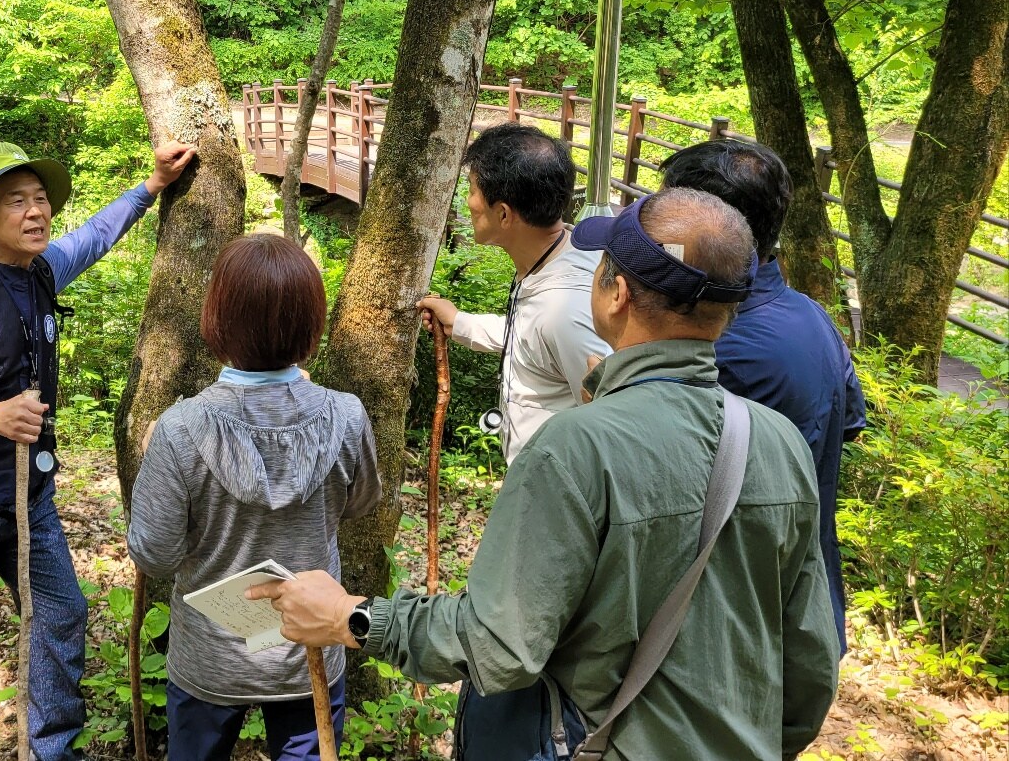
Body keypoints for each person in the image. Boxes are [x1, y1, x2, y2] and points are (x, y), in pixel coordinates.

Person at [252, 189, 841, 760]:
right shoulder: (775, 439)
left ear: (617, 293)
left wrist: (352, 617)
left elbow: (498, 646)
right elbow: (809, 668)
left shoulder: (575, 446)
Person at [0, 140, 194, 760]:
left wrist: (151, 185)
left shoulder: (43, 272)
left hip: (30, 498)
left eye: (41, 200)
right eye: (17, 202)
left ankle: (51, 749)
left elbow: (95, 236)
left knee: (61, 611)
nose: (36, 212)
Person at [127, 233, 381, 761]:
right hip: (308, 642)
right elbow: (359, 504)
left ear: (217, 318)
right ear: (310, 325)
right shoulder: (345, 415)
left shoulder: (179, 429)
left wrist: (159, 460)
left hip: (210, 656)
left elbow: (155, 555)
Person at [660, 140, 866, 651]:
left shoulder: (714, 348)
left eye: (667, 213)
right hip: (805, 606)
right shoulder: (811, 317)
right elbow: (849, 425)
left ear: (709, 229)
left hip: (731, 627)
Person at [415, 123, 609, 464]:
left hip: (554, 482)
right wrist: (460, 323)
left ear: (504, 214)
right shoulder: (561, 254)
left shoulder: (566, 310)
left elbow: (608, 421)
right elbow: (533, 337)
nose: (468, 202)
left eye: (472, 190)